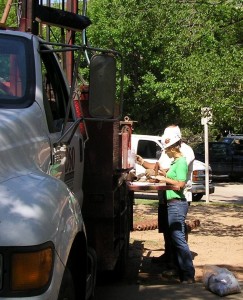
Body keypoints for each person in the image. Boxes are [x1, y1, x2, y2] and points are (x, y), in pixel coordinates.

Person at [136, 125, 195, 266]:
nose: (166, 151)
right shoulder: (169, 151)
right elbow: (160, 168)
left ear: (175, 144)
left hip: (179, 197)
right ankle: (169, 257)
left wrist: (160, 176)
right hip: (167, 196)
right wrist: (142, 162)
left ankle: (179, 265)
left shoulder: (186, 153)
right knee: (167, 229)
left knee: (176, 233)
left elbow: (175, 177)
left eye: (168, 147)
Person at [155, 133, 195, 283]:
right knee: (175, 238)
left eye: (167, 149)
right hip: (172, 204)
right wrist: (161, 174)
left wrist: (164, 178)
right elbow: (172, 177)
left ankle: (188, 274)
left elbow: (179, 184)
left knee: (178, 239)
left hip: (177, 204)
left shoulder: (181, 162)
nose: (165, 152)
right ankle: (181, 271)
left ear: (174, 148)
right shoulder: (175, 162)